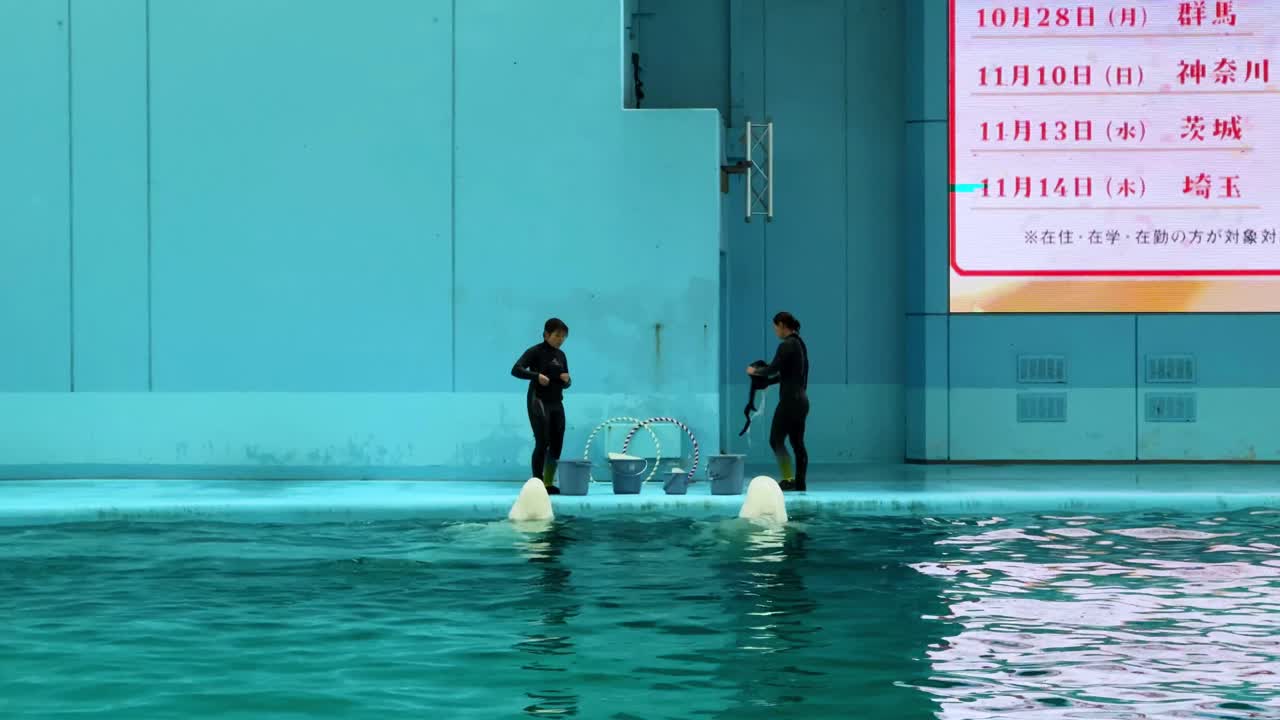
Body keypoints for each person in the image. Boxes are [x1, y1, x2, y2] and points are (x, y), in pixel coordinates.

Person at [746, 312, 809, 492]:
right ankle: (800, 483)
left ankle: (789, 479)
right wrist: (768, 382)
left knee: (776, 440)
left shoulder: (786, 345)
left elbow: (772, 369)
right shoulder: (800, 345)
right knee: (797, 443)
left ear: (782, 325)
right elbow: (787, 375)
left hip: (789, 402)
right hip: (801, 401)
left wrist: (754, 371)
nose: (775, 332)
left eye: (775, 328)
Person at [512, 318, 572, 494]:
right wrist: (536, 376)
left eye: (563, 337)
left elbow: (567, 382)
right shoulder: (535, 351)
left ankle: (548, 483)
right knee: (542, 441)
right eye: (557, 335)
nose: (560, 339)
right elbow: (516, 369)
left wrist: (568, 381)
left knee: (557, 443)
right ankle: (536, 483)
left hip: (556, 402)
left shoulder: (561, 355)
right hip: (538, 400)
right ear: (546, 334)